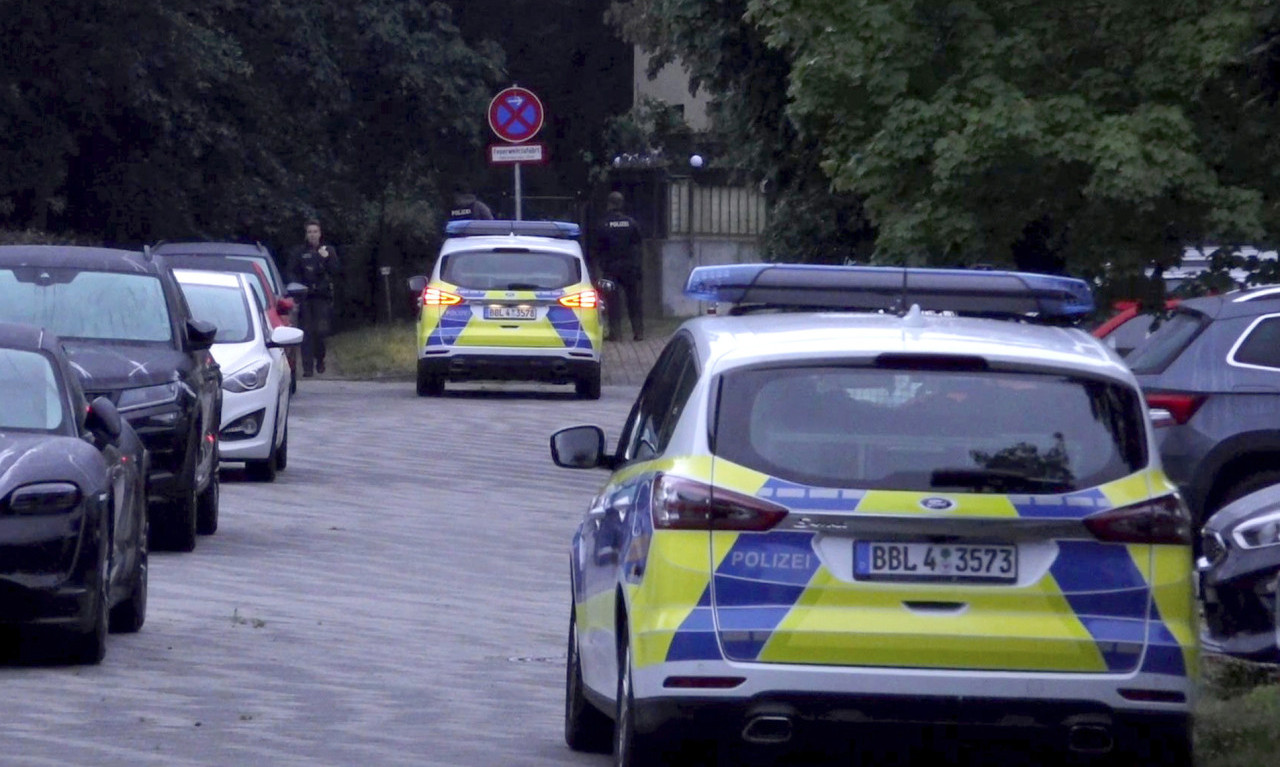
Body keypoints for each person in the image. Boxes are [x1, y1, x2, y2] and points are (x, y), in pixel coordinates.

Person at [287, 219, 341, 376]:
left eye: (315, 231)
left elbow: (336, 271)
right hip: (305, 297)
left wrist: (326, 259)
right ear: (306, 234)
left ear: (320, 233)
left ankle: (320, 359)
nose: (312, 235)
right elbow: (291, 272)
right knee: (306, 332)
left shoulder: (328, 250)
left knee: (321, 331)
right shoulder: (298, 252)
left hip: (322, 298)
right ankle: (307, 368)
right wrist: (296, 287)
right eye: (309, 232)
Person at [593, 191, 645, 341]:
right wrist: (638, 266)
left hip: (611, 268)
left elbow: (597, 248)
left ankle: (616, 333)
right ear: (621, 204)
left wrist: (600, 266)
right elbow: (638, 245)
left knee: (613, 301)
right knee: (634, 300)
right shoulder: (631, 223)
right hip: (630, 267)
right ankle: (638, 332)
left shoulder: (603, 224)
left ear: (609, 204)